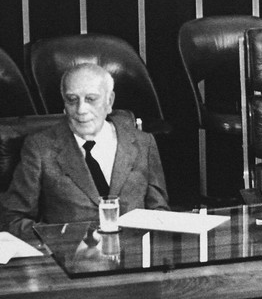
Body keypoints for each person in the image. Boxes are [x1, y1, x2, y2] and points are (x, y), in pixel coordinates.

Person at [0, 63, 169, 238]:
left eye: (91, 99)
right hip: (70, 258)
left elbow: (159, 212)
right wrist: (61, 239)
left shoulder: (143, 143)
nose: (81, 110)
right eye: (72, 100)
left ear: (109, 101)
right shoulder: (40, 147)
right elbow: (12, 218)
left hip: (133, 255)